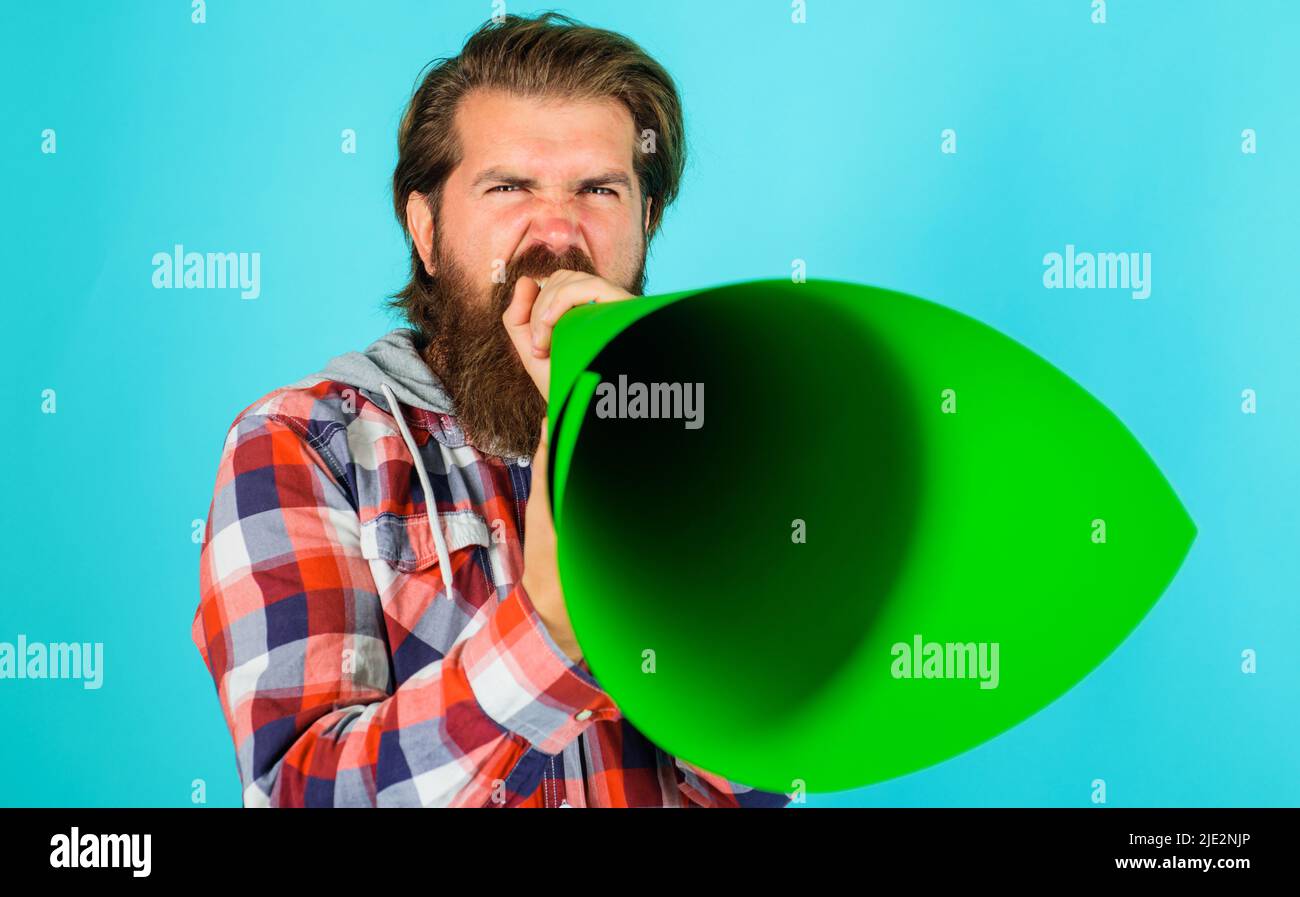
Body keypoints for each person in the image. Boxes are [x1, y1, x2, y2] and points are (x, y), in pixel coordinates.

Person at [190, 11, 792, 808]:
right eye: (509, 187)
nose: (558, 233)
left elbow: (764, 774)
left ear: (647, 222)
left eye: (599, 190)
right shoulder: (304, 444)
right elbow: (303, 793)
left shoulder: (702, 435)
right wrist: (549, 632)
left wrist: (640, 455)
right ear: (427, 229)